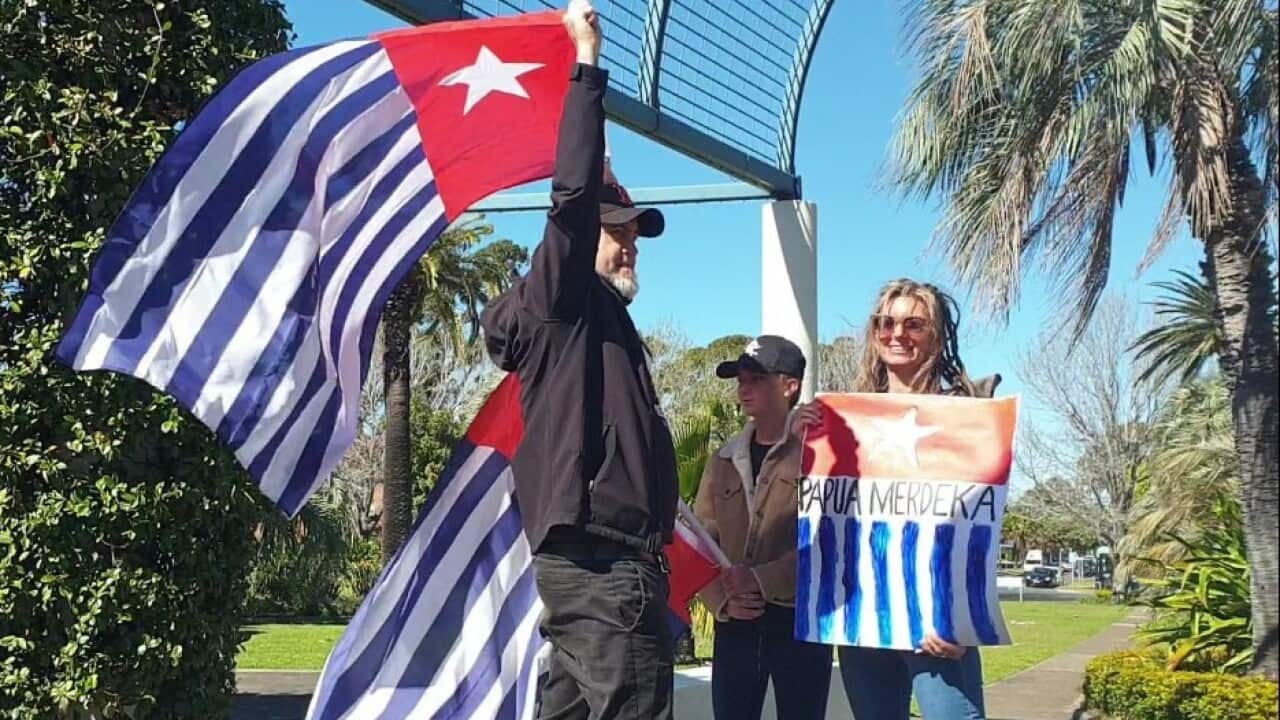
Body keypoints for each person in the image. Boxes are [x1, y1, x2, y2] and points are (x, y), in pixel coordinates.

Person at [479, 2, 679, 718]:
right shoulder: (562, 305)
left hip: (612, 565)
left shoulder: (608, 326)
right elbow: (568, 202)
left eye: (635, 233)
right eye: (615, 229)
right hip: (600, 560)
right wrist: (587, 65)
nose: (629, 243)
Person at [793, 278, 1001, 720]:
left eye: (914, 324)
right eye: (885, 323)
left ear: (938, 336)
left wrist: (963, 621)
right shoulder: (842, 422)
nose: (897, 334)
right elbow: (826, 511)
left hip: (936, 627)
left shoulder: (965, 418)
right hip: (863, 620)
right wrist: (802, 439)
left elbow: (978, 527)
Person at [694, 335, 832, 720]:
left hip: (799, 624)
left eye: (756, 378)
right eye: (740, 379)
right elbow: (702, 542)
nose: (744, 387)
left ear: (789, 386)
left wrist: (760, 579)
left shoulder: (821, 457)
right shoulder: (721, 460)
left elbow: (828, 544)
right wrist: (720, 600)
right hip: (735, 626)